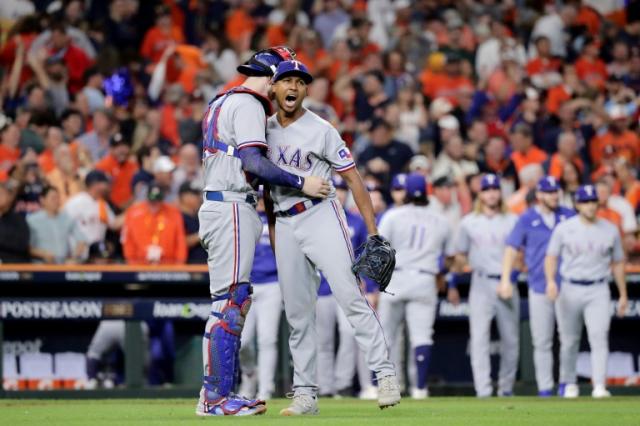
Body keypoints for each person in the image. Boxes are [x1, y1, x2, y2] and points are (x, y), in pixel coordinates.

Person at [195, 46, 329, 417]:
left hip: (220, 203)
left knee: (230, 299)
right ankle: (216, 398)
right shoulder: (250, 103)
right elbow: (253, 161)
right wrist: (302, 181)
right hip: (231, 206)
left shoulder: (221, 101)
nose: (284, 87)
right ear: (270, 76)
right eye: (282, 78)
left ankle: (216, 395)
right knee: (231, 302)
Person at [265, 59, 399, 416]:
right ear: (273, 88)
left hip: (319, 214)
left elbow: (353, 179)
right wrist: (276, 234)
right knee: (297, 315)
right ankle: (305, 394)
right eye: (286, 80)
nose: (293, 86)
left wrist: (372, 231)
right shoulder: (262, 131)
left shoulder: (322, 129)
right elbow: (266, 189)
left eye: (300, 81)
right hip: (284, 221)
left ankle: (385, 374)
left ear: (306, 90)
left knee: (350, 297)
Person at [544, 184, 628, 398]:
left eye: (593, 202)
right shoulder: (564, 228)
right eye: (585, 202)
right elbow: (551, 256)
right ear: (577, 204)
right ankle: (568, 382)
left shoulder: (609, 229)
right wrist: (551, 281)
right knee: (569, 340)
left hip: (598, 287)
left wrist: (623, 293)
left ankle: (599, 385)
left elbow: (618, 263)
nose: (590, 206)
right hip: (570, 287)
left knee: (599, 337)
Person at [378, 173, 455, 399]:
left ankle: (389, 387)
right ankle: (420, 388)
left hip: (395, 278)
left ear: (407, 193)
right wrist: (441, 275)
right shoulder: (440, 219)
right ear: (427, 192)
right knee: (422, 337)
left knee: (387, 336)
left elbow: (378, 250)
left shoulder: (393, 215)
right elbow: (450, 258)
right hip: (424, 278)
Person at [498, 176, 575, 397]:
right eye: (549, 192)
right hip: (539, 286)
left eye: (556, 191)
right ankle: (545, 388)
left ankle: (567, 384)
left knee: (569, 338)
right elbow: (511, 249)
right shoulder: (526, 218)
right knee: (542, 340)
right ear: (539, 195)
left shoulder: (568, 216)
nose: (553, 195)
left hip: (567, 286)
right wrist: (505, 279)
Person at [449, 174, 518, 398]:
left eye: (495, 189)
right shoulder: (469, 221)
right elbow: (459, 255)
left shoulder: (512, 220)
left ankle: (506, 388)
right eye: (487, 189)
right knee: (479, 338)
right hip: (480, 282)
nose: (491, 193)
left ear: (500, 192)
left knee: (511, 340)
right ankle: (483, 391)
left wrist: (510, 278)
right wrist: (454, 277)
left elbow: (520, 256)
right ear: (480, 194)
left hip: (507, 282)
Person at [315, 175, 374, 399]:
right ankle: (326, 386)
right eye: (334, 188)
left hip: (348, 286)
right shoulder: (316, 220)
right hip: (321, 286)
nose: (338, 192)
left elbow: (364, 254)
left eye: (341, 188)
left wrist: (366, 283)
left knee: (349, 334)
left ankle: (342, 383)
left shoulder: (356, 221)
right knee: (324, 340)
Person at [238, 191, 283, 401]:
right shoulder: (244, 218)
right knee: (242, 340)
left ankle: (265, 389)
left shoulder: (279, 219)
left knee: (267, 339)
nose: (260, 201)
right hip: (248, 284)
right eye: (257, 197)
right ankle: (249, 374)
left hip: (272, 283)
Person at [121, 183, 187, 264]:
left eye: (158, 200)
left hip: (168, 266)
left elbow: (180, 240)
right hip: (140, 264)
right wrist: (132, 263)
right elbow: (127, 240)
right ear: (146, 198)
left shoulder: (174, 213)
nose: (155, 203)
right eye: (152, 200)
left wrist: (179, 265)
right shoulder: (133, 213)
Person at [27, 186, 87, 263]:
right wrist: (43, 254)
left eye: (58, 198)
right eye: (53, 198)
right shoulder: (32, 220)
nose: (56, 201)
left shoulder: (67, 218)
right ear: (42, 200)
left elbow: (81, 239)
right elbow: (26, 247)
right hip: (40, 266)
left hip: (62, 267)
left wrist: (74, 257)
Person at [63, 170, 117, 246]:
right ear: (96, 185)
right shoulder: (76, 202)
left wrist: (134, 208)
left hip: (97, 251)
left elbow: (114, 224)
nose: (109, 187)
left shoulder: (102, 204)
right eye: (106, 183)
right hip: (78, 251)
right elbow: (63, 227)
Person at [0, 182, 30, 263]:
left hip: (14, 263)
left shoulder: (18, 219)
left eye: (1, 194)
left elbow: (22, 244)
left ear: (9, 197)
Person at [177, 182, 206, 264]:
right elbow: (179, 243)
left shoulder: (197, 217)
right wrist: (203, 234)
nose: (199, 198)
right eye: (196, 195)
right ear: (185, 197)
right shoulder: (178, 217)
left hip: (203, 267)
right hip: (188, 268)